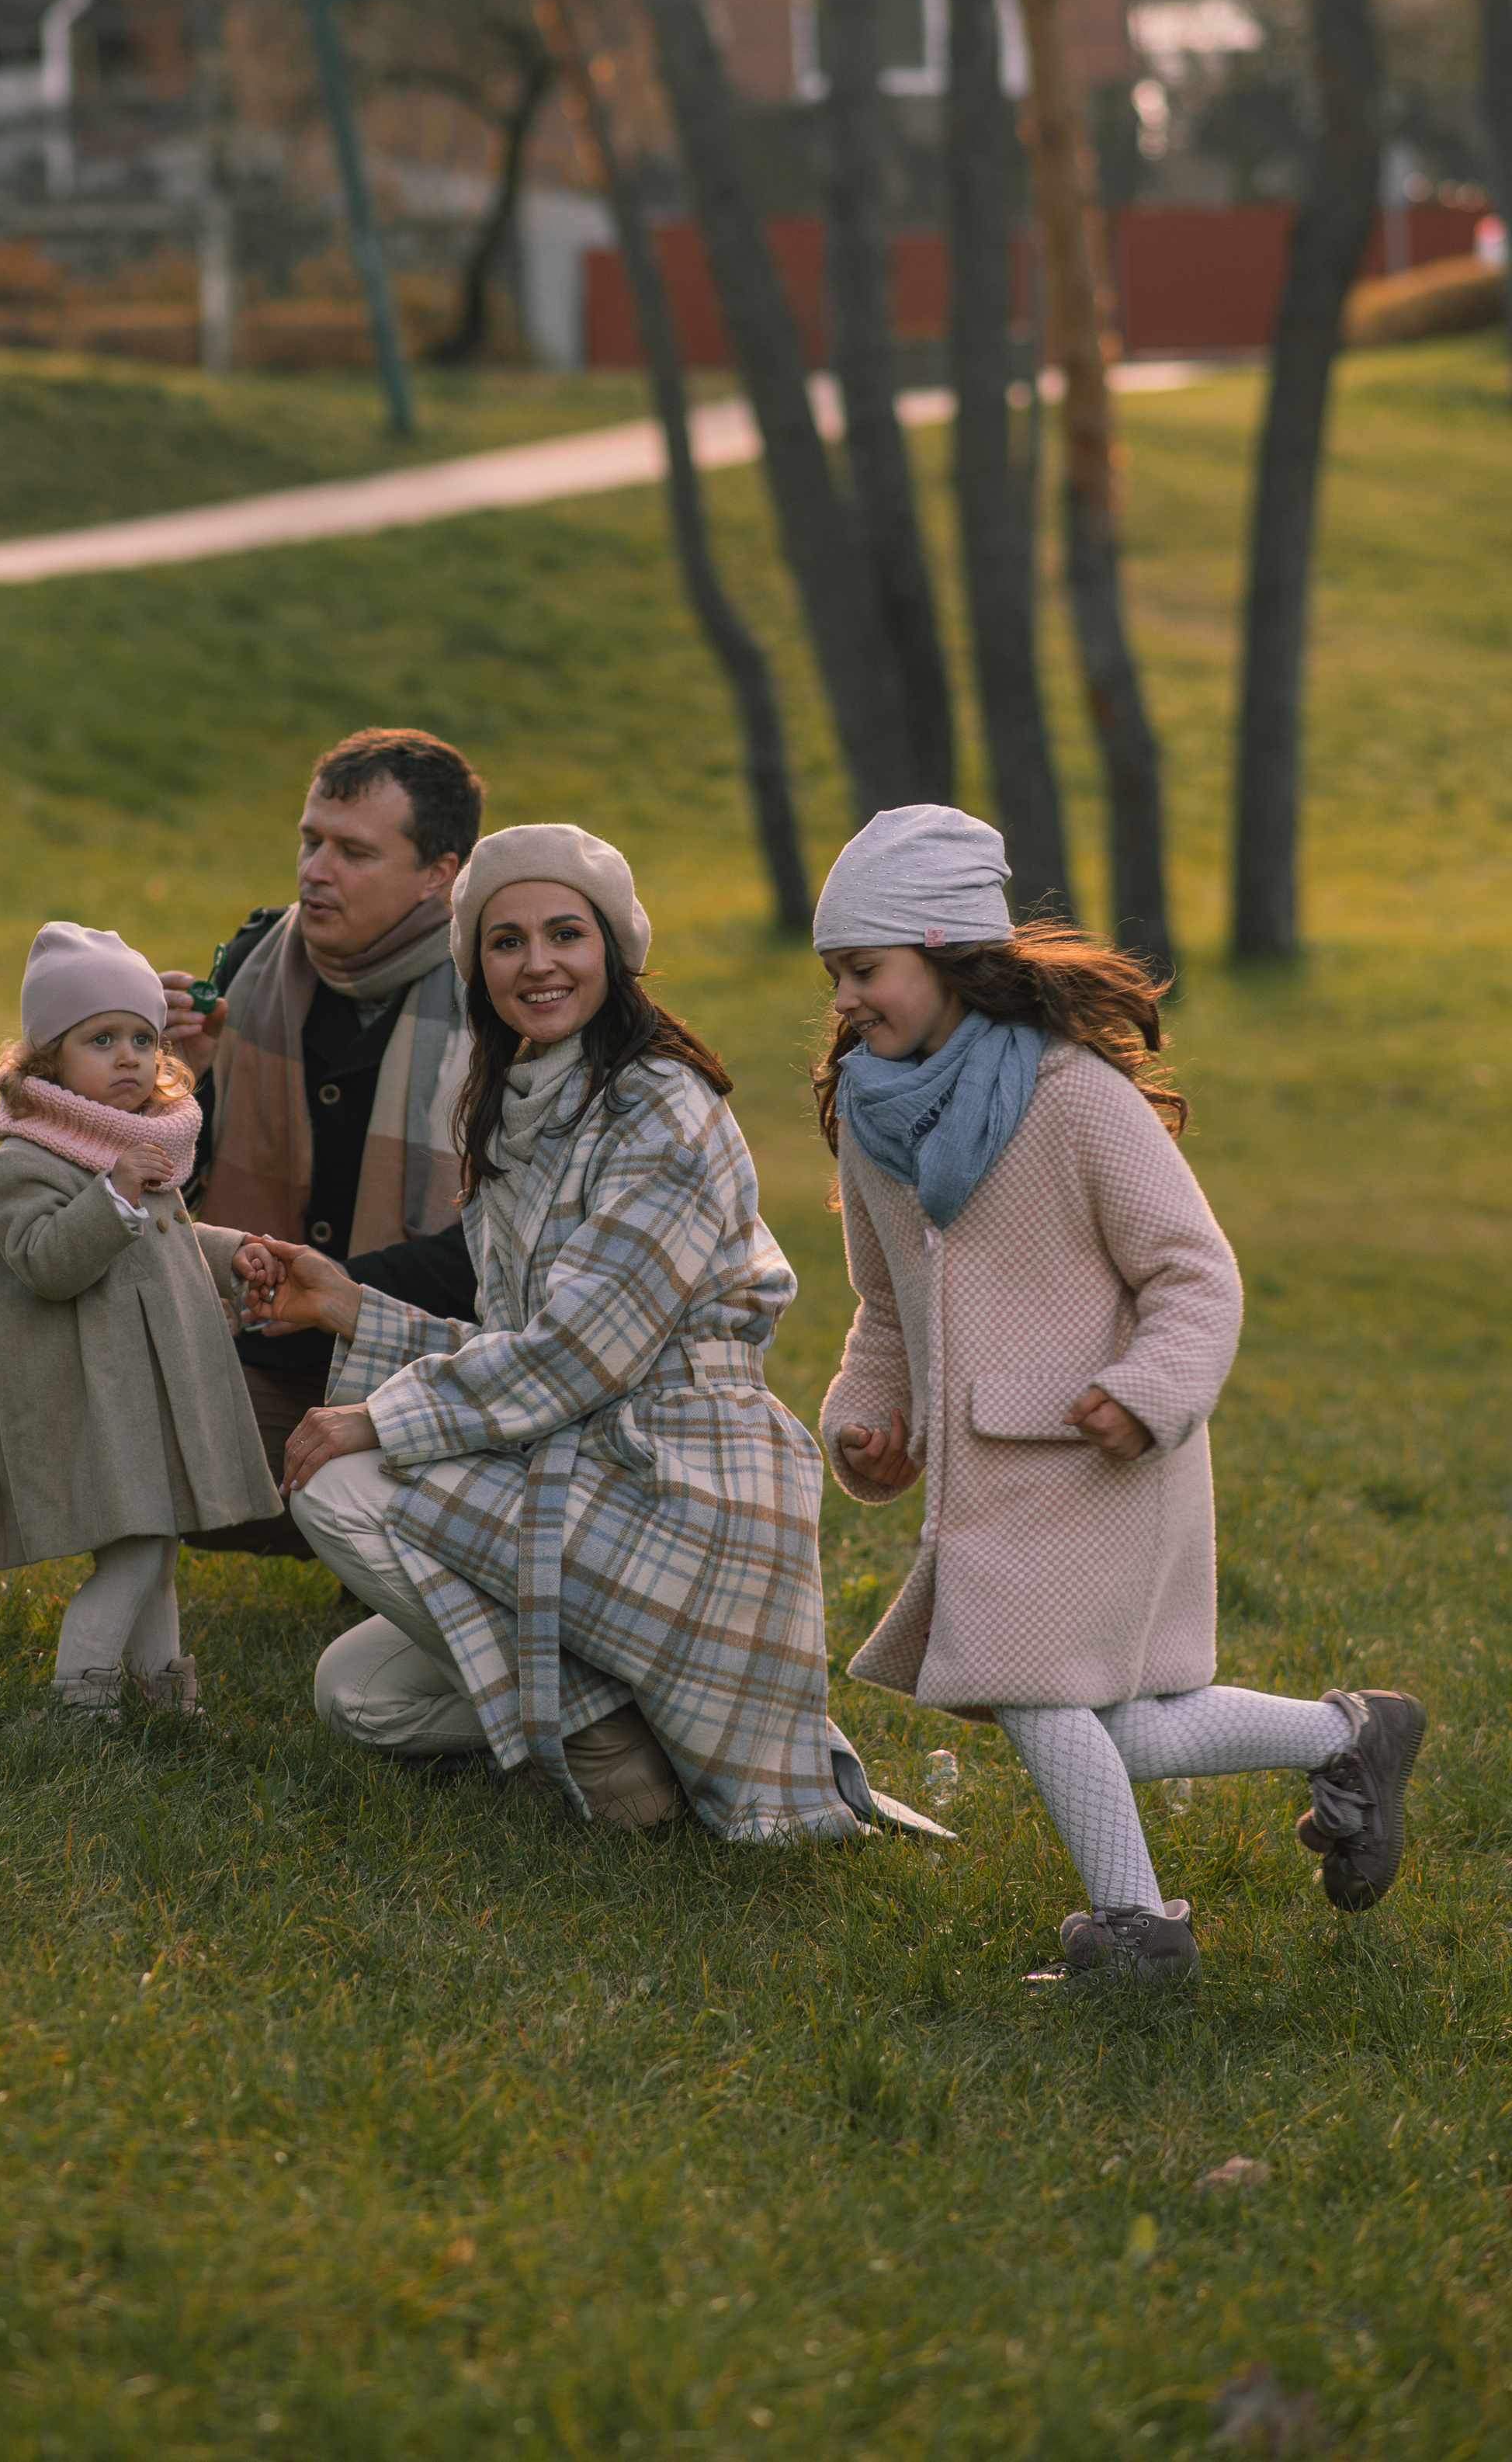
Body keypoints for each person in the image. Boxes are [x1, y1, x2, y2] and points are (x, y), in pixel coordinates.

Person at [813, 803, 1427, 1982]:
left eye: (865, 968)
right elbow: (886, 1307)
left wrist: (1147, 1392)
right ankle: (1351, 1733)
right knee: (1119, 1726)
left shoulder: (1071, 1094)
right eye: (835, 973)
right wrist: (863, 1421)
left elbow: (1193, 1273)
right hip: (988, 1479)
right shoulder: (872, 1118)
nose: (846, 997)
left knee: (1029, 1685)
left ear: (947, 955)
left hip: (1100, 1461)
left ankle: (1141, 1934)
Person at [244, 822, 886, 1842]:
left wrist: (379, 1414)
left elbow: (581, 1354)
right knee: (357, 1691)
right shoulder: (518, 1101)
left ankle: (608, 1754)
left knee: (336, 1478)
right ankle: (636, 1723)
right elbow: (528, 1341)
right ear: (477, 963)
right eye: (505, 942)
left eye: (565, 934)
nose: (537, 963)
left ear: (613, 948)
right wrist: (348, 1307)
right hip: (586, 1449)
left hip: (681, 1475)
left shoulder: (659, 1105)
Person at [158, 728, 483, 1544]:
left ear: (439, 875)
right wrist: (175, 1085)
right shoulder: (251, 966)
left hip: (436, 1371)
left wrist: (341, 1292)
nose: (315, 870)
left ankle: (394, 1531)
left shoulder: (506, 1002)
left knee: (410, 1519)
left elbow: (503, 1245)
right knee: (114, 1423)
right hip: (264, 1354)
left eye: (354, 852)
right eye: (310, 840)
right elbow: (153, 1202)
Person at [0, 920, 286, 1715]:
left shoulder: (138, 1144)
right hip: (90, 1398)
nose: (128, 1058)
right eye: (100, 1038)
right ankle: (81, 1695)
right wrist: (111, 1195)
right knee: (138, 1547)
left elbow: (163, 1234)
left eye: (143, 1039)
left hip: (147, 1391)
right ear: (47, 1059)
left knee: (159, 1545)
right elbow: (44, 1261)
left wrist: (229, 1254)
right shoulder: (28, 1157)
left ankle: (163, 1695)